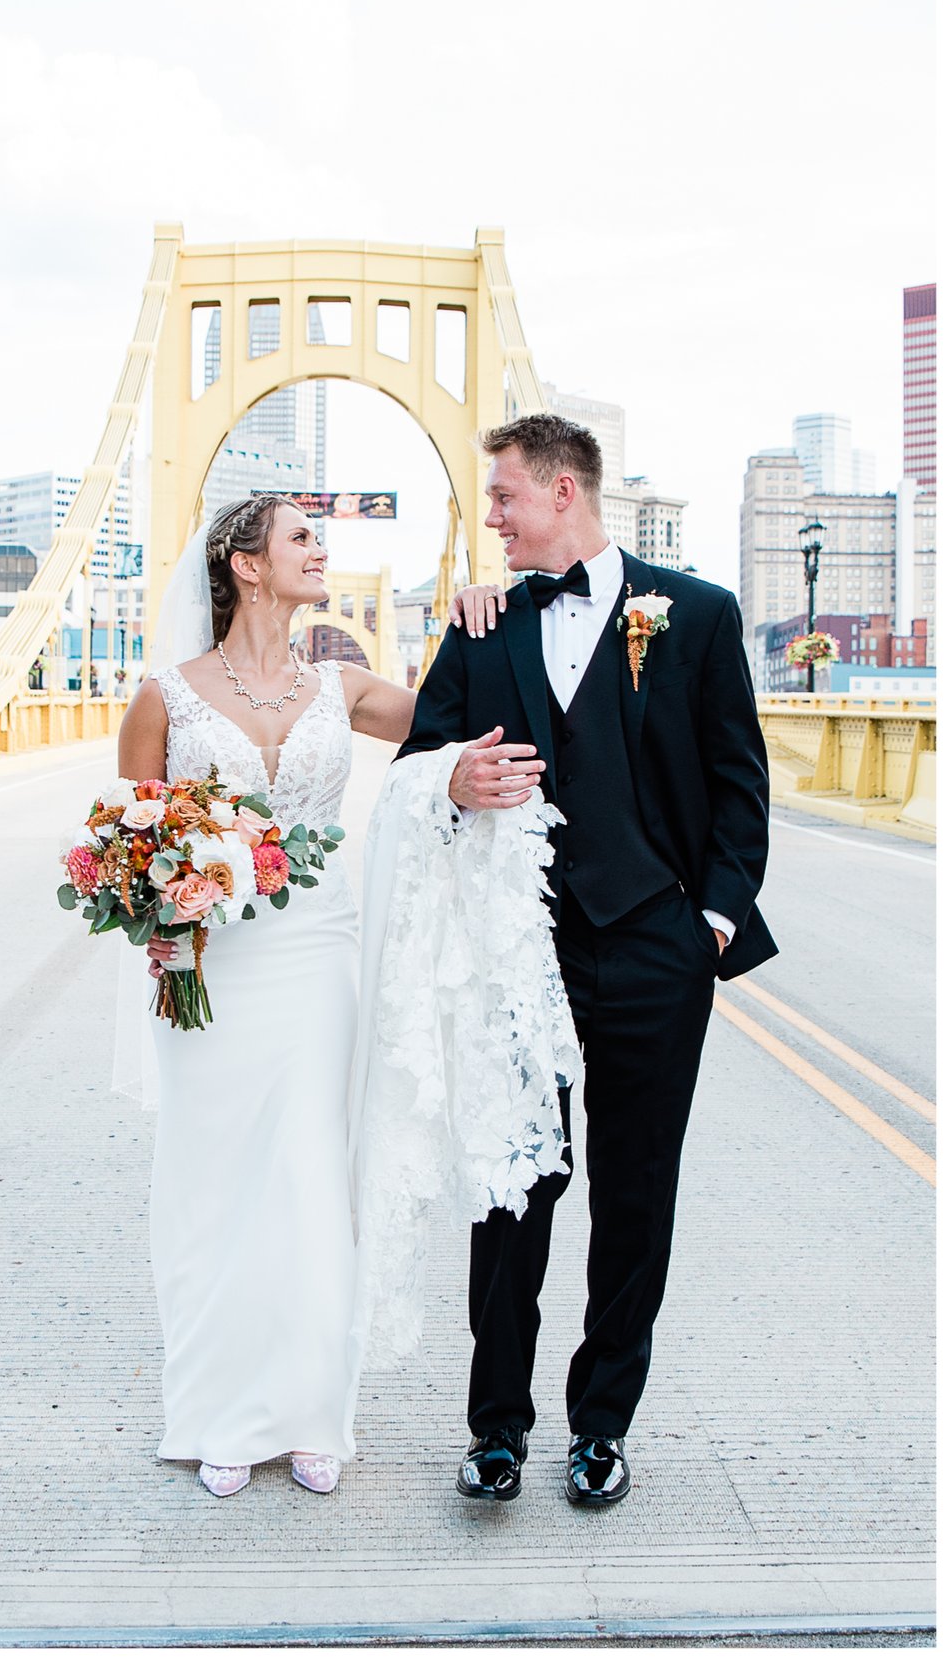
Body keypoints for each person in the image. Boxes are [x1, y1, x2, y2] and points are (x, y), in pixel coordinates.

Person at [394, 412, 772, 1508]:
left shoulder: (694, 613)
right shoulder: (479, 625)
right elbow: (423, 752)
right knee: (512, 1189)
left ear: (562, 490)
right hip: (518, 950)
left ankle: (602, 1424)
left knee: (636, 1193)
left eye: (503, 496)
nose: (491, 517)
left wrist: (706, 923)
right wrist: (452, 778)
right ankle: (495, 1428)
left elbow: (738, 783)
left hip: (658, 947)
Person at [113, 494, 504, 1498]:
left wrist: (472, 615)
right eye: (298, 537)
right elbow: (131, 840)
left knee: (309, 1172)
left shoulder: (341, 685)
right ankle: (218, 1411)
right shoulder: (166, 694)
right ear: (246, 564)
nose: (318, 551)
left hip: (321, 950)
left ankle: (310, 1408)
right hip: (212, 966)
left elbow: (452, 728)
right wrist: (169, 931)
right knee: (215, 1178)